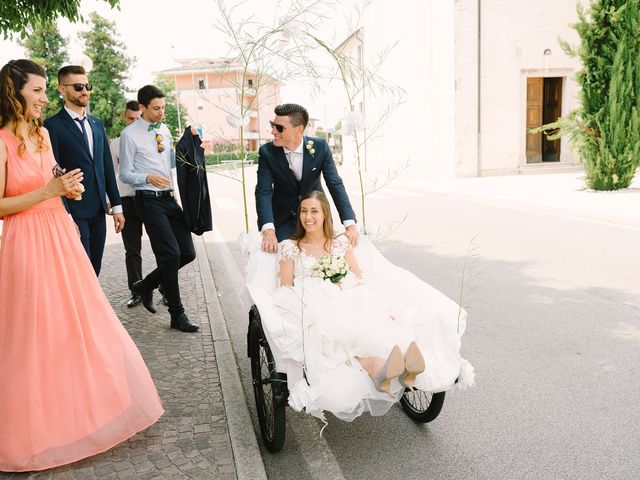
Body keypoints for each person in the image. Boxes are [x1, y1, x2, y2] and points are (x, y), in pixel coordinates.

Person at [0, 59, 163, 472]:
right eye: (36, 90)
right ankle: (35, 429)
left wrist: (67, 191)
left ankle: (87, 414)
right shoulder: (1, 141)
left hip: (60, 235)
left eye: (41, 90)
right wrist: (48, 191)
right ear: (14, 93)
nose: (41, 97)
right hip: (26, 242)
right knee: (34, 331)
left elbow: (54, 182)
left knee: (78, 323)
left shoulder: (41, 135)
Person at [247, 190, 473, 422]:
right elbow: (285, 287)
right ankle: (382, 371)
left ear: (325, 214)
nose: (308, 216)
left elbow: (358, 275)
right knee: (337, 322)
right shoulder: (290, 247)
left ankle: (388, 370)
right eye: (304, 211)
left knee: (364, 311)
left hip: (345, 295)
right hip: (309, 301)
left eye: (314, 211)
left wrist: (344, 286)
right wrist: (319, 288)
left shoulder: (338, 243)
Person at [119, 85, 199, 333]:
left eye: (163, 107)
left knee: (187, 253)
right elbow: (125, 173)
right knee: (170, 255)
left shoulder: (164, 129)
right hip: (147, 199)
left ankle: (146, 285)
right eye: (156, 108)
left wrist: (193, 143)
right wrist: (147, 178)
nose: (161, 112)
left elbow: (170, 162)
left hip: (168, 199)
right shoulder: (129, 135)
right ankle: (177, 315)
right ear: (142, 107)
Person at [44, 65, 125, 276]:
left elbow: (107, 167)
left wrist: (117, 207)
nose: (85, 91)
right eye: (78, 86)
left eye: (87, 85)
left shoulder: (96, 124)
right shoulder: (51, 126)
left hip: (99, 209)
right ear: (62, 89)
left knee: (95, 268)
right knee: (81, 270)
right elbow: (52, 172)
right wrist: (66, 215)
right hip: (74, 211)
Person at [255, 103, 359, 253]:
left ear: (299, 129)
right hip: (283, 220)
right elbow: (263, 191)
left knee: (324, 259)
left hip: (316, 217)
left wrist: (350, 225)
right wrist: (268, 230)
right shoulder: (267, 153)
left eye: (279, 128)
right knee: (285, 257)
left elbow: (335, 184)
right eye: (273, 125)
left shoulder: (320, 147)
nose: (273, 131)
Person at [110, 100, 168, 308]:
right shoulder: (116, 144)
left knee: (162, 247)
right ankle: (136, 290)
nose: (134, 122)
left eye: (138, 118)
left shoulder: (152, 139)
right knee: (132, 249)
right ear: (124, 117)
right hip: (127, 201)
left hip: (151, 199)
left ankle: (164, 287)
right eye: (130, 118)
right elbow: (112, 174)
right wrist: (113, 201)